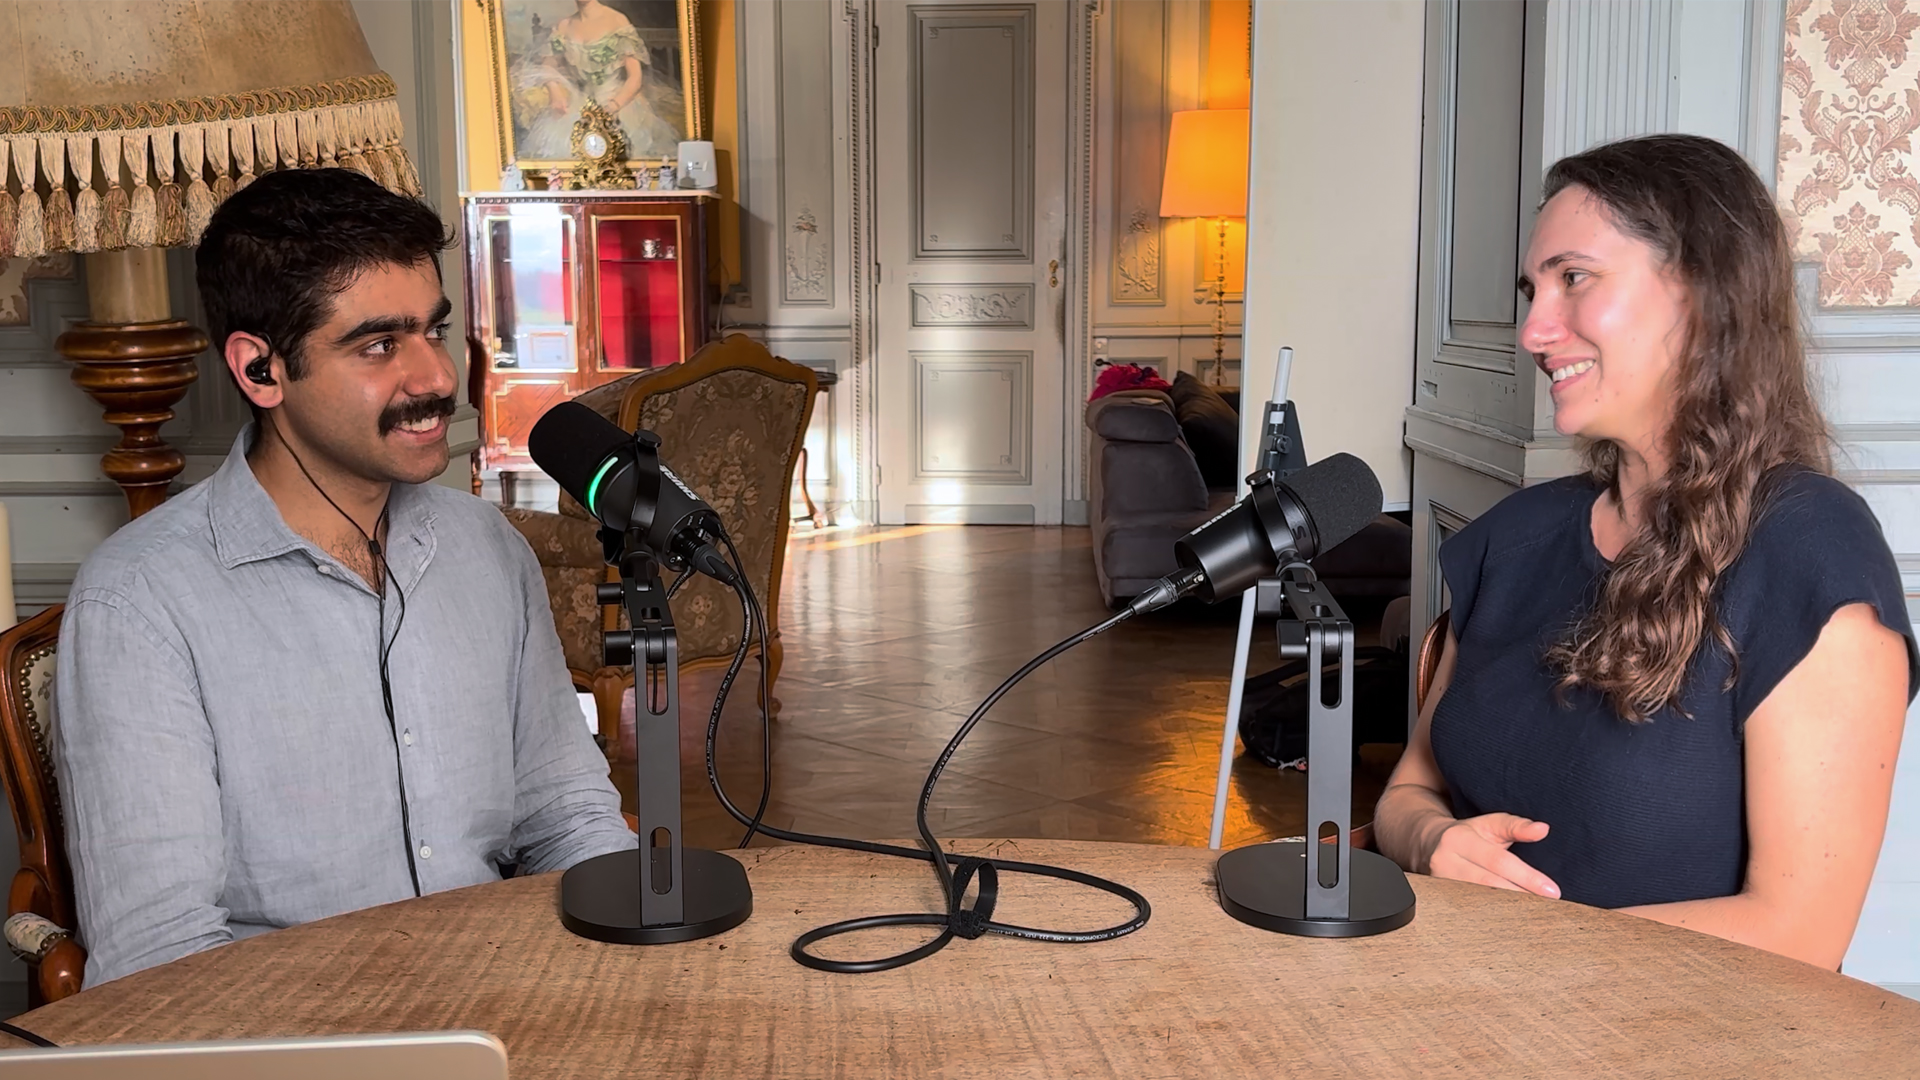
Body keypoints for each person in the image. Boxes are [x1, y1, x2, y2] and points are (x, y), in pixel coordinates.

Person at [54, 168, 635, 987]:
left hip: (514, 1001)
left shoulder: (486, 547)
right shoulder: (139, 605)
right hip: (290, 1037)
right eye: (378, 345)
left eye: (433, 330)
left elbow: (566, 814)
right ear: (260, 370)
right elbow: (160, 959)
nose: (437, 377)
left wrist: (634, 977)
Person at [1372, 134, 1917, 970]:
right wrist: (1432, 841)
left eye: (1574, 278)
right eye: (1532, 290)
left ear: (1702, 290)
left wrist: (1523, 953)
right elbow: (1408, 792)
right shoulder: (1514, 538)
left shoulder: (1811, 551)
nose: (1533, 331)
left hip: (1667, 1027)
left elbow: (1800, 935)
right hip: (1455, 991)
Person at [516, 0, 683, 160]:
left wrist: (612, 107)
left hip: (618, 104)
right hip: (580, 104)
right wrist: (555, 92)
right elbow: (547, 66)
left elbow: (635, 77)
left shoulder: (617, 20)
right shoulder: (564, 26)